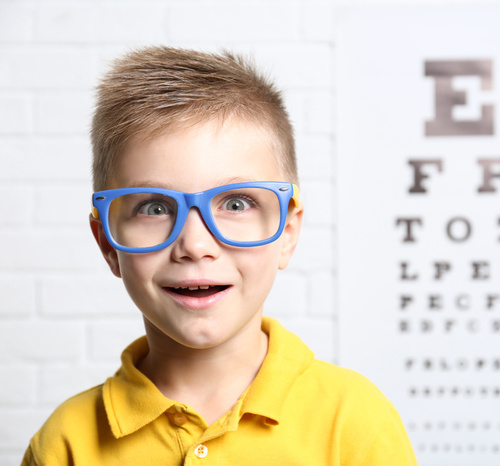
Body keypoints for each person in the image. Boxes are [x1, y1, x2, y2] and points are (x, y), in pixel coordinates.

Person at [22, 46, 417, 465]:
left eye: (235, 203)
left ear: (286, 231)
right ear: (107, 244)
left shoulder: (354, 421)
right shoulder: (66, 442)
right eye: (155, 207)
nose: (194, 245)